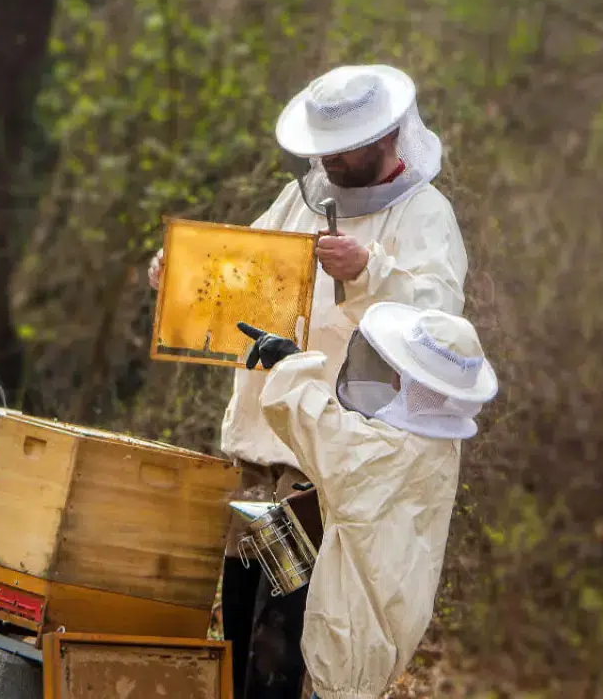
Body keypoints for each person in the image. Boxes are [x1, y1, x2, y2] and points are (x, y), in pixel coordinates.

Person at [147, 64, 468, 699]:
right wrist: (181, 277)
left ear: (387, 138)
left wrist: (372, 269)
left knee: (284, 640)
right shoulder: (303, 198)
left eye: (345, 149)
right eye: (325, 148)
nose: (332, 161)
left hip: (327, 469)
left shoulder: (426, 214)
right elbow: (242, 271)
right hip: (260, 456)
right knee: (240, 626)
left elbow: (441, 327)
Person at [235, 302, 498, 699]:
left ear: (407, 376)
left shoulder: (382, 453)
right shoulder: (440, 448)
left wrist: (291, 363)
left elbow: (315, 423)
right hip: (383, 638)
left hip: (352, 657)